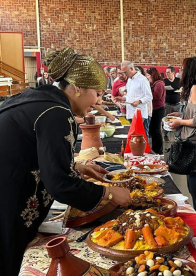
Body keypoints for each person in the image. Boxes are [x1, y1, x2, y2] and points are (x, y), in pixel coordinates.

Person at [0, 47, 131, 275]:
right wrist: (109, 193)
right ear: (78, 88)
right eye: (97, 93)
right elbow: (59, 183)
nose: (98, 101)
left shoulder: (41, 99)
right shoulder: (55, 112)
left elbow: (32, 151)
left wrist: (78, 167)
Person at [168, 57, 196, 226]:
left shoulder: (195, 88)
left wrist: (180, 122)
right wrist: (180, 116)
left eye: (182, 68)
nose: (180, 71)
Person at [116, 61, 152, 138]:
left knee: (140, 136)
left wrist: (139, 101)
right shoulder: (130, 80)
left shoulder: (142, 79)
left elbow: (149, 96)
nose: (124, 74)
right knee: (134, 136)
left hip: (139, 112)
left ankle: (144, 150)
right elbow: (130, 95)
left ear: (131, 68)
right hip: (130, 112)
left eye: (125, 72)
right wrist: (122, 98)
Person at [145, 67, 166, 154]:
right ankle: (155, 149)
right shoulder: (154, 83)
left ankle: (158, 150)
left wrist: (146, 93)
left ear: (153, 75)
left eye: (148, 75)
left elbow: (156, 96)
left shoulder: (159, 84)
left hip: (158, 109)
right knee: (153, 130)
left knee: (156, 130)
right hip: (154, 109)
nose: (147, 77)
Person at [163, 66, 181, 142]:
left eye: (168, 72)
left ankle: (177, 135)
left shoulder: (178, 80)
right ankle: (165, 135)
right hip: (168, 103)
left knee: (177, 120)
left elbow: (182, 88)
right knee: (167, 120)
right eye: (166, 72)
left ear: (173, 73)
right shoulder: (164, 81)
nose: (167, 74)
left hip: (177, 103)